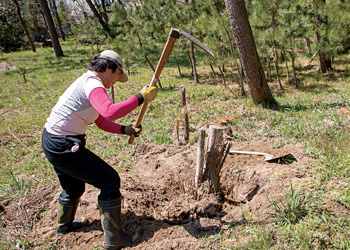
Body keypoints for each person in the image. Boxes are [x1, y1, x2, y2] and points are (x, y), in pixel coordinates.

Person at [41, 50, 158, 250]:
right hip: (64, 145)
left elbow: (101, 120)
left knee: (74, 187)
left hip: (53, 141)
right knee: (110, 180)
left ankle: (64, 226)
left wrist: (124, 129)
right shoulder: (92, 83)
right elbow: (109, 111)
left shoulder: (87, 83)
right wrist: (140, 98)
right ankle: (114, 239)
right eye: (117, 76)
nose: (115, 81)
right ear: (108, 68)